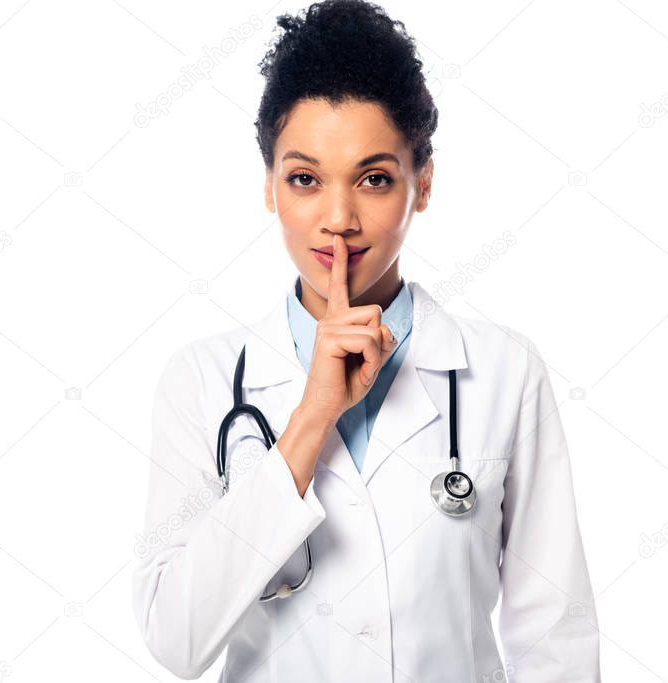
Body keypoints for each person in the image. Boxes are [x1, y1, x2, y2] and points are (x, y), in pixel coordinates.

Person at [131, 1, 600, 680]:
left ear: (423, 184)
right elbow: (176, 637)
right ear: (269, 187)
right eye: (304, 178)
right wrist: (311, 418)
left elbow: (554, 636)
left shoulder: (503, 371)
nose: (338, 219)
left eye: (374, 178)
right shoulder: (202, 380)